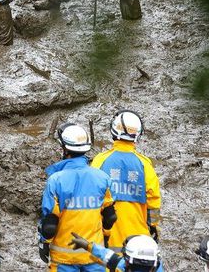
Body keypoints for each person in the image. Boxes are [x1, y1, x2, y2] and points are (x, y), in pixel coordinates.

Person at [38, 123, 116, 271]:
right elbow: (110, 216)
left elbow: (49, 224)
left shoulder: (56, 180)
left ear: (65, 149)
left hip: (63, 258)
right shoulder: (103, 178)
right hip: (94, 255)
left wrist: (44, 243)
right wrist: (105, 238)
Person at [91, 110, 161, 251]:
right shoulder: (144, 164)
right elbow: (153, 201)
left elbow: (91, 195)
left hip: (105, 240)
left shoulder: (100, 161)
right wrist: (153, 226)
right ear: (138, 135)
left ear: (113, 130)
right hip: (137, 242)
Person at [69, 233, 163, 271]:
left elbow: (112, 259)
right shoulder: (129, 266)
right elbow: (109, 257)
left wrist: (88, 246)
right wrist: (88, 246)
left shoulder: (125, 267)